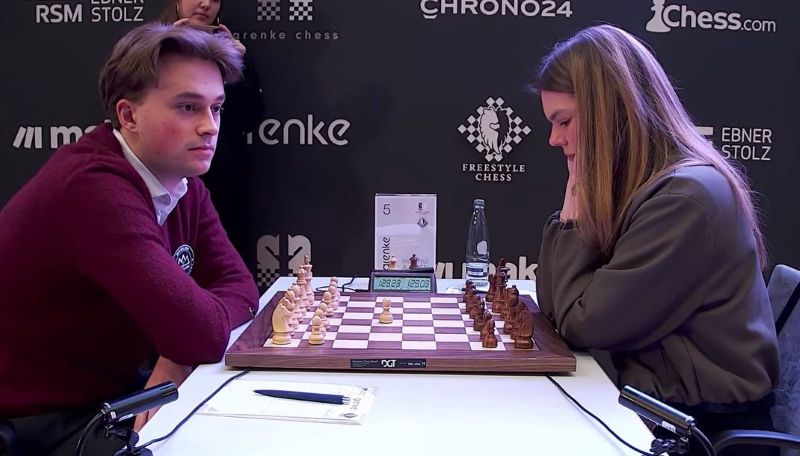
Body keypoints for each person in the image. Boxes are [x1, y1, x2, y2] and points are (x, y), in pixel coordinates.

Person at [0, 23, 258, 455]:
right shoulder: (93, 190)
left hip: (104, 398)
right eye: (187, 107)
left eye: (216, 108)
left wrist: (177, 353)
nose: (209, 126)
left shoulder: (183, 184)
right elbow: (202, 333)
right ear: (128, 116)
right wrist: (185, 343)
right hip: (32, 421)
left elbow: (240, 288)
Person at [532, 25, 780, 456]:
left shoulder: (685, 199)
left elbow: (584, 324)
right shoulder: (647, 189)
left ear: (608, 109)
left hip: (700, 433)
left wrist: (574, 215)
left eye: (564, 121)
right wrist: (572, 215)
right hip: (658, 412)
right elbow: (555, 311)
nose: (554, 139)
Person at [159, 0, 266, 262]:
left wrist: (242, 65)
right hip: (166, 175)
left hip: (223, 178)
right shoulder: (149, 47)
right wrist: (160, 49)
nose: (206, 4)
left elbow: (250, 116)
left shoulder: (230, 51)